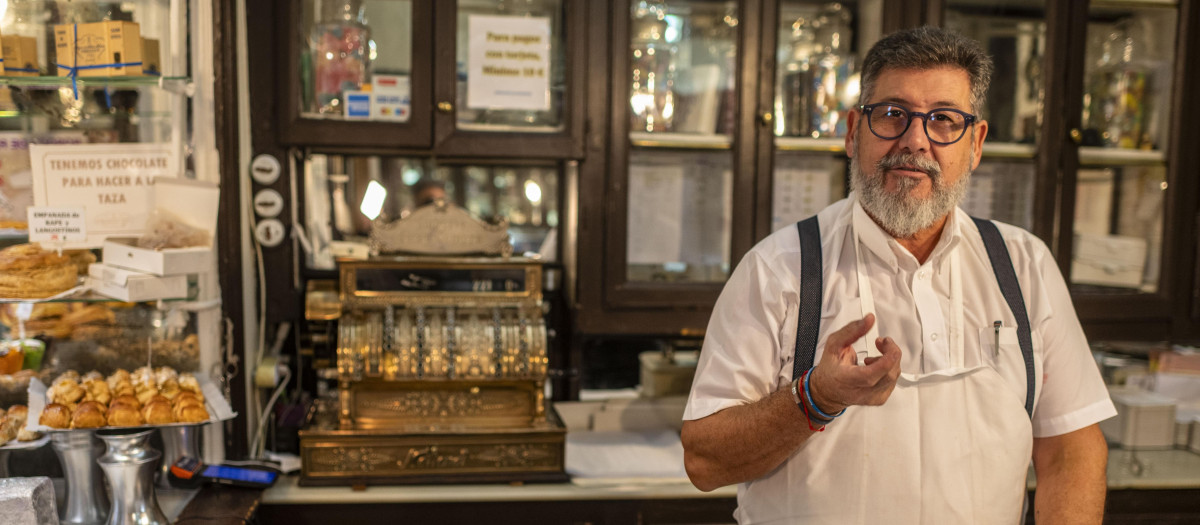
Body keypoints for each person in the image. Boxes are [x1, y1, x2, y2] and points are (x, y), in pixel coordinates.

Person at [680, 26, 1115, 524]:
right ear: (852, 132)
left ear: (975, 144)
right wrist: (816, 397)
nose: (915, 141)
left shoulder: (1023, 265)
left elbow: (1071, 450)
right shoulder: (779, 269)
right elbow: (705, 461)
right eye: (892, 115)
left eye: (944, 120)